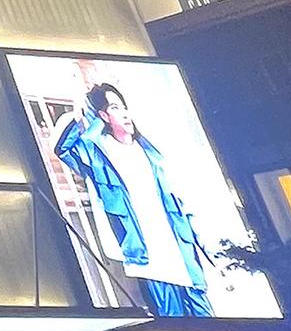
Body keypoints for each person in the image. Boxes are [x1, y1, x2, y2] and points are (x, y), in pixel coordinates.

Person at [52, 82, 214, 317]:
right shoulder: (98, 154)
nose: (125, 113)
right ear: (103, 115)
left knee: (206, 317)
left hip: (180, 249)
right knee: (172, 321)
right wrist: (81, 118)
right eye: (116, 108)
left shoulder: (150, 150)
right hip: (150, 259)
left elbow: (180, 200)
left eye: (124, 107)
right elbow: (63, 148)